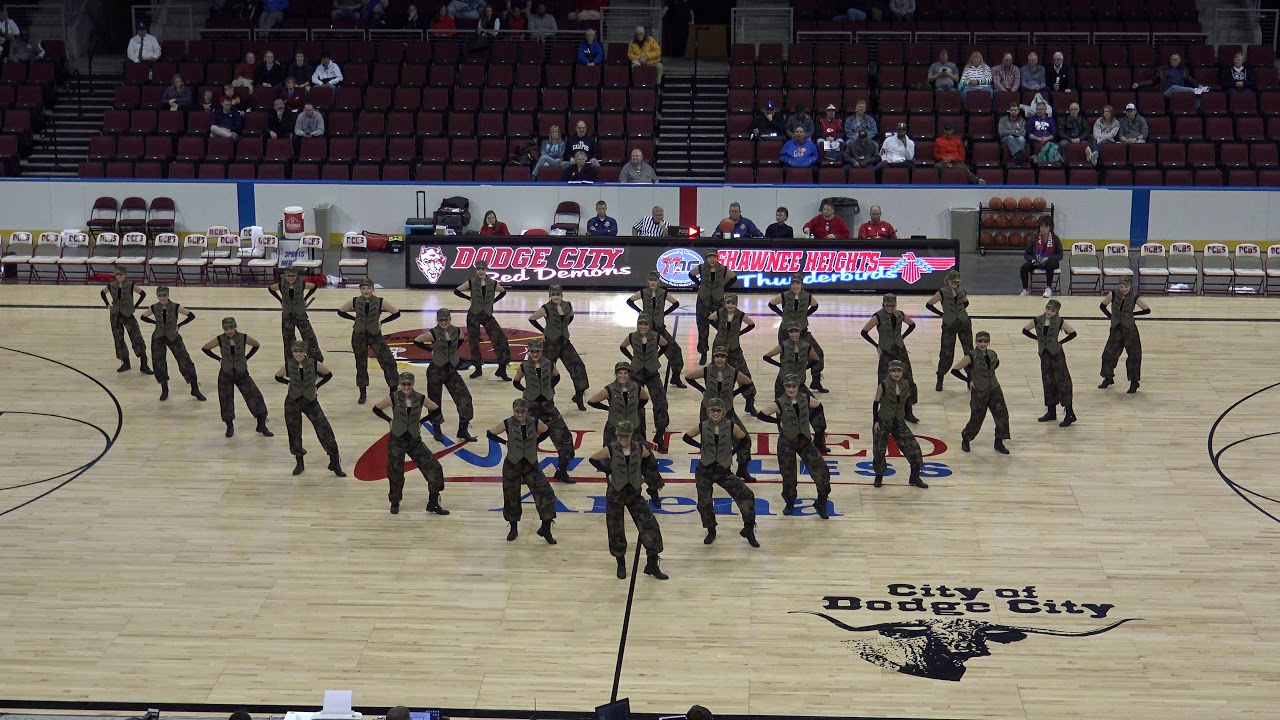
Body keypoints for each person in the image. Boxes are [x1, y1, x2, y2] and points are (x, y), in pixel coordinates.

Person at [588, 420, 667, 580]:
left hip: (635, 494)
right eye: (620, 435)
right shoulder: (610, 449)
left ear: (631, 435)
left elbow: (649, 461)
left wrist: (644, 477)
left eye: (626, 435)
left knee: (650, 526)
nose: (623, 438)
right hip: (615, 495)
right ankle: (621, 564)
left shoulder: (639, 447)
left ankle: (652, 564)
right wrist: (608, 471)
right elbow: (593, 459)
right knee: (616, 530)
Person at [683, 398, 758, 546]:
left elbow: (744, 440)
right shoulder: (702, 426)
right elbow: (686, 437)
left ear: (723, 412)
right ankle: (711, 530)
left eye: (718, 410)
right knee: (704, 503)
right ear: (708, 412)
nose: (715, 413)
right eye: (712, 410)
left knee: (747, 495)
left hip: (723, 470)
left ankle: (748, 528)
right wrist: (701, 447)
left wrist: (732, 453)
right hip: (704, 470)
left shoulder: (731, 426)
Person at [755, 374, 833, 516]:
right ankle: (790, 501)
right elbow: (761, 414)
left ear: (798, 387)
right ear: (784, 387)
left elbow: (819, 406)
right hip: (787, 443)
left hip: (804, 441)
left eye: (794, 386)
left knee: (822, 471)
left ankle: (821, 502)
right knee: (789, 476)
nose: (791, 389)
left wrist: (811, 422)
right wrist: (778, 422)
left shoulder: (806, 398)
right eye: (788, 386)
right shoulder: (779, 403)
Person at [372, 372, 449, 515]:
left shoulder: (420, 398)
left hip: (414, 441)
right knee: (395, 473)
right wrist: (389, 420)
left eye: (408, 384)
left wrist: (422, 421)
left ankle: (433, 502)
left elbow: (436, 409)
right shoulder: (393, 397)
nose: (406, 387)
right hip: (397, 441)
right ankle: (395, 502)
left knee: (434, 467)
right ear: (399, 384)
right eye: (403, 384)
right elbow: (376, 409)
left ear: (413, 384)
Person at [487, 399, 559, 542]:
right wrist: (505, 442)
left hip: (531, 464)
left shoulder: (535, 422)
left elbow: (547, 431)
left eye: (523, 411)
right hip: (512, 464)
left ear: (527, 411)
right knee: (511, 496)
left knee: (546, 493)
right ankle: (513, 528)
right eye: (517, 412)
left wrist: (536, 442)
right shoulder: (507, 423)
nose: (519, 414)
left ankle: (546, 528)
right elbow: (490, 433)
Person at [685, 346, 757, 483]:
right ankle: (708, 471)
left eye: (722, 356)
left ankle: (742, 469)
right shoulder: (707, 371)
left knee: (745, 439)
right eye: (717, 356)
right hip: (708, 409)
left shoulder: (733, 372)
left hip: (727, 410)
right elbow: (688, 377)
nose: (719, 359)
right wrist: (703, 390)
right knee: (708, 441)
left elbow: (748, 382)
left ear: (726, 358)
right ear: (713, 358)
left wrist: (733, 394)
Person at [275, 341, 344, 477]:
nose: (298, 354)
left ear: (305, 351)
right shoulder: (288, 365)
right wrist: (288, 382)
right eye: (295, 351)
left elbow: (328, 374)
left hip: (310, 401)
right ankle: (299, 461)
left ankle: (335, 462)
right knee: (294, 432)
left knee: (324, 429)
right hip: (292, 402)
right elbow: (277, 377)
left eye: (300, 351)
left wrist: (317, 386)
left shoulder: (314, 363)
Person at [513, 338, 577, 483]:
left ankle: (561, 471)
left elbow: (557, 376)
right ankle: (524, 473)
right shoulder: (523, 367)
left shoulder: (549, 364)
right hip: (531, 412)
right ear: (529, 352)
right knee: (525, 443)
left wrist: (549, 388)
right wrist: (527, 391)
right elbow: (516, 382)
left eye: (537, 351)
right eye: (532, 351)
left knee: (565, 439)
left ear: (541, 351)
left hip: (549, 410)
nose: (535, 354)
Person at [413, 308, 477, 442]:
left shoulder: (457, 331)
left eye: (445, 320)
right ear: (437, 320)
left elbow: (460, 340)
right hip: (436, 371)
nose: (443, 322)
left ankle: (463, 430)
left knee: (465, 398)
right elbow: (417, 340)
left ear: (450, 319)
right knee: (435, 401)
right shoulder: (433, 333)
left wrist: (452, 353)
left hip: (451, 370)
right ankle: (437, 429)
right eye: (440, 320)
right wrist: (431, 350)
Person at [202, 318, 273, 438]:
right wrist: (219, 359)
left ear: (235, 327)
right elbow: (205, 348)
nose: (229, 331)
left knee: (255, 397)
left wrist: (247, 357)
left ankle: (261, 425)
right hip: (226, 373)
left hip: (242, 373)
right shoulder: (220, 339)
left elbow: (256, 345)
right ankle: (229, 426)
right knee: (226, 400)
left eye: (231, 328)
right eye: (226, 329)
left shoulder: (243, 337)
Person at [336, 279, 401, 405]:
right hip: (358, 335)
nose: (366, 291)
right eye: (363, 288)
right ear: (360, 289)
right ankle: (363, 392)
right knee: (360, 364)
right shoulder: (355, 301)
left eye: (368, 288)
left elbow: (396, 313)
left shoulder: (379, 301)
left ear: (372, 289)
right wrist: (354, 319)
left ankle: (393, 389)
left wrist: (382, 322)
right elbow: (341, 311)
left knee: (388, 362)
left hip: (375, 335)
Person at [529, 285, 590, 412]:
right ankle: (545, 399)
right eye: (553, 294)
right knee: (547, 372)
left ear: (561, 295)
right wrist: (544, 331)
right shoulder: (546, 308)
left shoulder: (568, 305)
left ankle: (579, 396)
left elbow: (571, 317)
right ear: (550, 295)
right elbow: (532, 318)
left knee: (578, 367)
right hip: (551, 343)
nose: (555, 297)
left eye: (558, 294)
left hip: (565, 342)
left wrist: (564, 328)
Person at [139, 286, 205, 402]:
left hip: (173, 337)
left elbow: (191, 315)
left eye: (164, 295)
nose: (162, 298)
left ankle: (194, 388)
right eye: (160, 296)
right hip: (158, 337)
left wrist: (179, 325)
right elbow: (143, 317)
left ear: (168, 295)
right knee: (158, 363)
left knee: (185, 361)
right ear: (157, 296)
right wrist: (155, 322)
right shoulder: (154, 307)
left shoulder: (176, 306)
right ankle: (164, 389)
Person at [861, 294, 919, 423]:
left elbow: (912, 324)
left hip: (901, 351)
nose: (890, 308)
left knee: (908, 380)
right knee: (884, 381)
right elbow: (864, 332)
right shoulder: (878, 317)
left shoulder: (900, 315)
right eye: (888, 305)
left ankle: (908, 411)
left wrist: (902, 337)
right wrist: (877, 345)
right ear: (883, 304)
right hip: (886, 353)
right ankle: (884, 411)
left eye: (892, 305)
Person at [870, 361, 927, 488]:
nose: (896, 373)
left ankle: (915, 477)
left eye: (899, 371)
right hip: (884, 421)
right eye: (893, 371)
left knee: (914, 448)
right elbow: (875, 403)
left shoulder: (906, 385)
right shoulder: (883, 385)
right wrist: (875, 421)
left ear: (902, 372)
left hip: (899, 421)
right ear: (889, 372)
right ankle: (879, 476)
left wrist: (907, 416)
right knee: (879, 451)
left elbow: (906, 403)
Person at [950, 331, 1009, 454]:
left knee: (1002, 416)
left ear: (989, 342)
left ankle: (999, 441)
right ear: (976, 342)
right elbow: (955, 370)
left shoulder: (992, 354)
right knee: (977, 418)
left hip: (994, 388)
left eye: (985, 342)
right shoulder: (970, 356)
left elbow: (995, 365)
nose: (982, 344)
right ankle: (966, 438)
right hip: (979, 391)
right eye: (980, 341)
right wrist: (969, 380)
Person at [620, 314, 672, 452]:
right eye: (640, 324)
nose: (643, 326)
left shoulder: (656, 337)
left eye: (645, 324)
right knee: (637, 405)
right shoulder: (631, 336)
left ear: (649, 325)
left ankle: (660, 434)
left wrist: (657, 357)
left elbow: (665, 346)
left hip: (652, 373)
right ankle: (640, 435)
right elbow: (622, 347)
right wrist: (632, 358)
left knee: (660, 403)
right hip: (636, 373)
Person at [768, 273, 827, 393]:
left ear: (802, 285)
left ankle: (816, 380)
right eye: (793, 283)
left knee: (818, 353)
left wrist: (806, 315)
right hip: (785, 331)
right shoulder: (784, 296)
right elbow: (771, 304)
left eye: (798, 283)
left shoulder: (808, 296)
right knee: (786, 358)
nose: (795, 286)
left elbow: (815, 306)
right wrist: (782, 314)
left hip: (803, 332)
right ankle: (785, 385)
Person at [1022, 298, 1077, 427]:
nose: (1049, 312)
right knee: (1047, 382)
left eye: (1052, 310)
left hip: (1057, 355)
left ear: (1057, 311)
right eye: (1048, 309)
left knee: (1063, 382)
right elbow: (1025, 330)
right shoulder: (1038, 320)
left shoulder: (1059, 322)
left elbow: (1073, 333)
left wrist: (1060, 343)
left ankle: (1069, 413)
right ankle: (1051, 411)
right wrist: (1038, 340)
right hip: (1044, 355)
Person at [453, 261, 511, 381]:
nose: (480, 271)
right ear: (476, 270)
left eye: (483, 269)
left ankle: (502, 369)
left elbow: (503, 292)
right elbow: (457, 291)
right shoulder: (471, 281)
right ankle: (478, 368)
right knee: (474, 342)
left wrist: (493, 301)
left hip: (488, 315)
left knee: (500, 339)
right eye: (478, 269)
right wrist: (469, 298)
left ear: (486, 270)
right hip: (473, 315)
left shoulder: (493, 283)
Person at [627, 271, 685, 385]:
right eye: (651, 280)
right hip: (646, 331)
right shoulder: (643, 293)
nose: (653, 282)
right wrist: (640, 311)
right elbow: (629, 301)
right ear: (648, 281)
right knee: (645, 356)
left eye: (655, 280)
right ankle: (640, 380)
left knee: (676, 351)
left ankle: (676, 377)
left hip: (660, 329)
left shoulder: (663, 293)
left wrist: (665, 313)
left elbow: (676, 303)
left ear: (658, 281)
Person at [1098, 275, 1150, 394]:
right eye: (1121, 286)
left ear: (1130, 286)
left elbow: (1147, 309)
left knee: (1134, 356)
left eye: (1126, 286)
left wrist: (1133, 314)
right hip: (1116, 329)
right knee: (1108, 354)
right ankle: (1108, 378)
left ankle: (1134, 382)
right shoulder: (1113, 294)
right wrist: (1111, 317)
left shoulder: (1134, 297)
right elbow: (1102, 306)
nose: (1123, 289)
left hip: (1130, 330)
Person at [925, 271, 972, 391]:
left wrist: (959, 312)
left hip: (964, 323)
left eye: (957, 281)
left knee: (969, 351)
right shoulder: (942, 292)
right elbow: (929, 304)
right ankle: (940, 378)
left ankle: (970, 378)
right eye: (953, 281)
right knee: (946, 352)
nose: (955, 283)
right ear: (948, 281)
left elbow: (966, 303)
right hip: (949, 324)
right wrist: (943, 314)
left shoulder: (962, 292)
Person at [708, 293, 757, 408]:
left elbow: (751, 324)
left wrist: (740, 333)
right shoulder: (720, 313)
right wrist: (719, 328)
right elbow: (710, 318)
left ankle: (749, 402)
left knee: (744, 374)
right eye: (728, 303)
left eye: (733, 303)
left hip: (734, 349)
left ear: (736, 304)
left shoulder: (740, 315)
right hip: (719, 349)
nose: (730, 305)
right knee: (716, 375)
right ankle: (716, 402)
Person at [100, 266, 151, 374]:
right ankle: (125, 362)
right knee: (118, 340)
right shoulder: (111, 285)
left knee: (137, 339)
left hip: (128, 315)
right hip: (115, 315)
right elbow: (102, 293)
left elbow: (143, 294)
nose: (119, 276)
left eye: (121, 274)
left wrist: (135, 306)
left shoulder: (131, 285)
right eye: (117, 275)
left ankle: (144, 364)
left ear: (125, 275)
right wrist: (108, 305)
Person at [688, 247, 735, 365]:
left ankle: (721, 352)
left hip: (718, 300)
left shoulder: (723, 269)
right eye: (709, 257)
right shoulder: (701, 267)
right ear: (706, 258)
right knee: (702, 327)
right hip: (703, 299)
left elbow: (734, 277)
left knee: (721, 326)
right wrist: (699, 284)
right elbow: (691, 274)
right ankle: (703, 353)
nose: (712, 259)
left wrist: (724, 288)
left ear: (717, 258)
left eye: (714, 256)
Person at [268, 266, 323, 362]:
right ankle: (290, 363)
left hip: (300, 315)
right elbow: (271, 289)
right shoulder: (281, 285)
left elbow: (314, 287)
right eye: (288, 276)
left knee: (310, 338)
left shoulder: (301, 284)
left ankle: (316, 361)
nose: (290, 278)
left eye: (293, 275)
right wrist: (280, 300)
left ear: (297, 275)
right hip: (287, 316)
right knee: (288, 341)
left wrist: (305, 298)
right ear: (285, 276)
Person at [763, 324, 825, 400]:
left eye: (796, 331)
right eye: (791, 332)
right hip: (783, 383)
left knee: (815, 407)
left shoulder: (807, 347)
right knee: (781, 408)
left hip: (799, 383)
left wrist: (805, 367)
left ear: (800, 332)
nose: (794, 334)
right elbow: (766, 357)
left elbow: (816, 360)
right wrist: (780, 365)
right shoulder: (783, 345)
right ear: (788, 333)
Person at [1020, 218, 1062, 297]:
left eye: (1045, 227)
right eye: (1041, 227)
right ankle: (1025, 290)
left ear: (1050, 228)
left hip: (1051, 262)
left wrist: (1048, 259)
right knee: (1024, 268)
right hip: (1037, 261)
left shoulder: (1055, 239)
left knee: (1049, 264)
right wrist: (1032, 259)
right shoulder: (1035, 239)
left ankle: (1048, 288)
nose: (1043, 229)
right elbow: (1027, 254)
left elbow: (1060, 255)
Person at [1133, 53, 1198, 97]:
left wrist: (1198, 85)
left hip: (1181, 91)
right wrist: (1139, 84)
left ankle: (1197, 105)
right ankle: (1194, 90)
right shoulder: (1163, 70)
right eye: (1171, 59)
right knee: (1174, 87)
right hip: (1167, 92)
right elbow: (1152, 80)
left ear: (1179, 61)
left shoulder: (1183, 70)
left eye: (1175, 60)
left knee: (1199, 95)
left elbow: (1190, 79)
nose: (1173, 61)